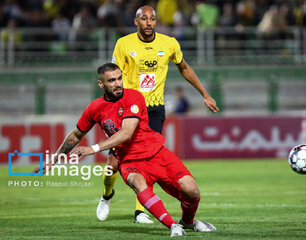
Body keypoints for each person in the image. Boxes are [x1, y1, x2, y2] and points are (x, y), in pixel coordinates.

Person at [33, 63, 217, 237]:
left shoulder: (133, 97)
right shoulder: (94, 108)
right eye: (112, 80)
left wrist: (93, 148)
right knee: (137, 183)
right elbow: (75, 135)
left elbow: (127, 133)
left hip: (157, 153)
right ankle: (172, 226)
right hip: (130, 161)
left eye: (119, 78)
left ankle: (187, 221)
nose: (118, 83)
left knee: (191, 190)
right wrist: (53, 160)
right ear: (101, 84)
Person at [97, 5, 219, 223]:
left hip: (153, 110)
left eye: (152, 19)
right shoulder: (123, 44)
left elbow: (184, 67)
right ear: (136, 22)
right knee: (113, 164)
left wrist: (204, 94)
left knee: (148, 159)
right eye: (144, 19)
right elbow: (114, 77)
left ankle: (140, 211)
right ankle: (107, 195)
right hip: (127, 110)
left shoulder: (169, 43)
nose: (149, 23)